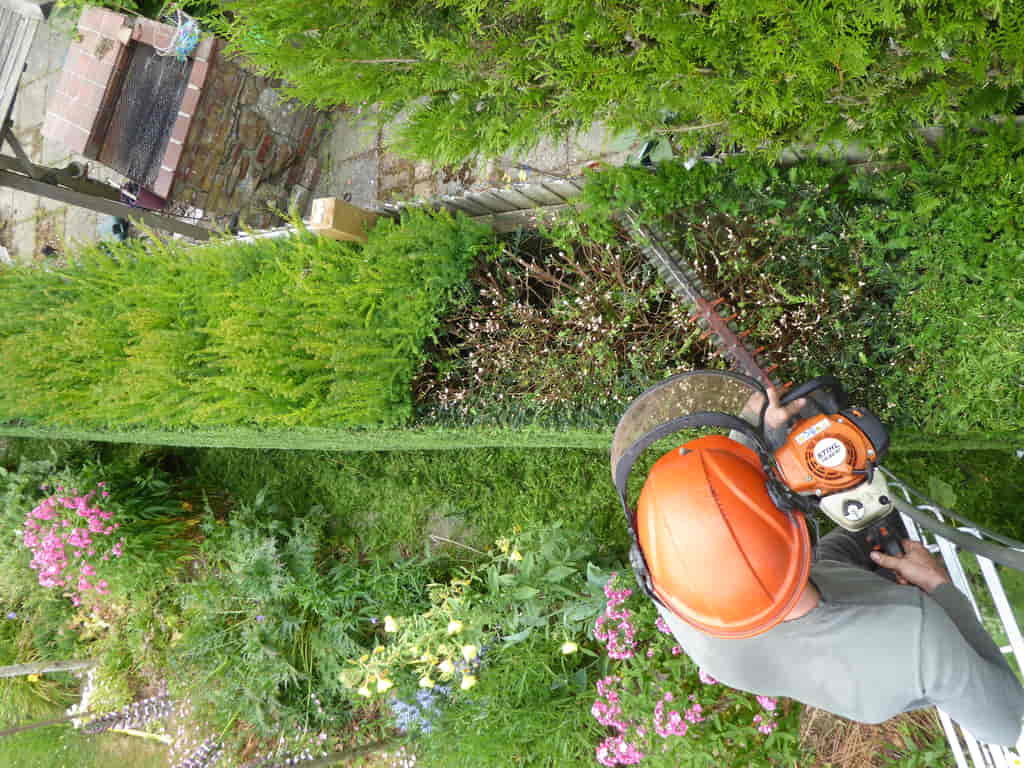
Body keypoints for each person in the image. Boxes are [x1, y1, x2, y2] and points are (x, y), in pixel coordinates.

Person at [635, 387, 1024, 747]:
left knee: (868, 533)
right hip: (886, 664)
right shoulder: (916, 633)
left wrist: (754, 429)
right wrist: (941, 589)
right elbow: (1006, 724)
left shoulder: (674, 580)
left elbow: (716, 516)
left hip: (810, 622)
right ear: (801, 533)